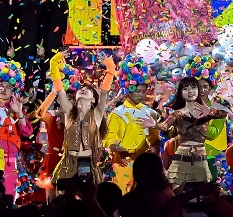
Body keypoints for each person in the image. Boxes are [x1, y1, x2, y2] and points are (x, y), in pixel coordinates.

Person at [50, 57, 108, 187]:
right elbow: (60, 90)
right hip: (67, 163)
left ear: (93, 100)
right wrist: (54, 64)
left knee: (87, 197)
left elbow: (104, 92)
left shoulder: (96, 115)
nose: (83, 89)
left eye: (88, 90)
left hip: (87, 164)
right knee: (64, 198)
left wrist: (110, 70)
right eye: (81, 89)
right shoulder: (69, 112)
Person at [103, 61, 158, 193]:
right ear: (128, 90)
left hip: (145, 164)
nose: (141, 95)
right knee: (123, 197)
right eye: (137, 91)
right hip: (123, 164)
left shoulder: (150, 113)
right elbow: (108, 138)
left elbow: (155, 138)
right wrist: (116, 148)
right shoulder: (117, 113)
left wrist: (154, 152)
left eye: (144, 91)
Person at [0, 58, 32, 195]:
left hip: (11, 163)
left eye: (8, 87)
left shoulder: (16, 109)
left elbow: (27, 132)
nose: (4, 90)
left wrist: (19, 113)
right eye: (1, 86)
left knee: (9, 198)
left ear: (14, 91)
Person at [161, 75, 214, 188]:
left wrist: (210, 112)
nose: (190, 91)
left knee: (207, 192)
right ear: (181, 93)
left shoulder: (206, 111)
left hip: (201, 157)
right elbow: (164, 126)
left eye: (193, 87)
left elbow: (223, 114)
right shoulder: (177, 114)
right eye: (185, 88)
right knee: (175, 192)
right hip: (182, 156)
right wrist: (154, 124)